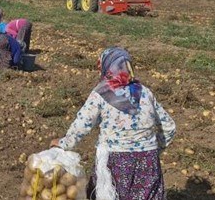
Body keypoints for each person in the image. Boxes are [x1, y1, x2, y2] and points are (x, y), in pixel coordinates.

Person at [51, 47, 176, 200]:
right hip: (148, 161)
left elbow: (83, 124)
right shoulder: (145, 92)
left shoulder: (102, 93)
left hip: (115, 161)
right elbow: (169, 127)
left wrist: (64, 143)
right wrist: (153, 150)